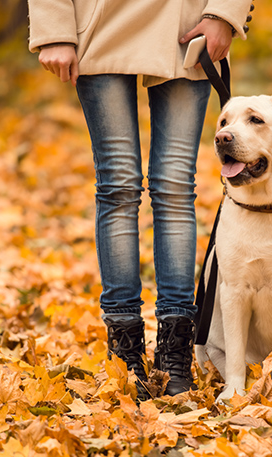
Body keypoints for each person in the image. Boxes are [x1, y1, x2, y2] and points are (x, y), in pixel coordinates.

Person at [27, 0, 253, 398]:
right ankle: (124, 351)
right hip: (97, 23)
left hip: (188, 26)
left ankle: (175, 351)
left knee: (175, 187)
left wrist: (224, 14)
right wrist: (55, 29)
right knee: (118, 186)